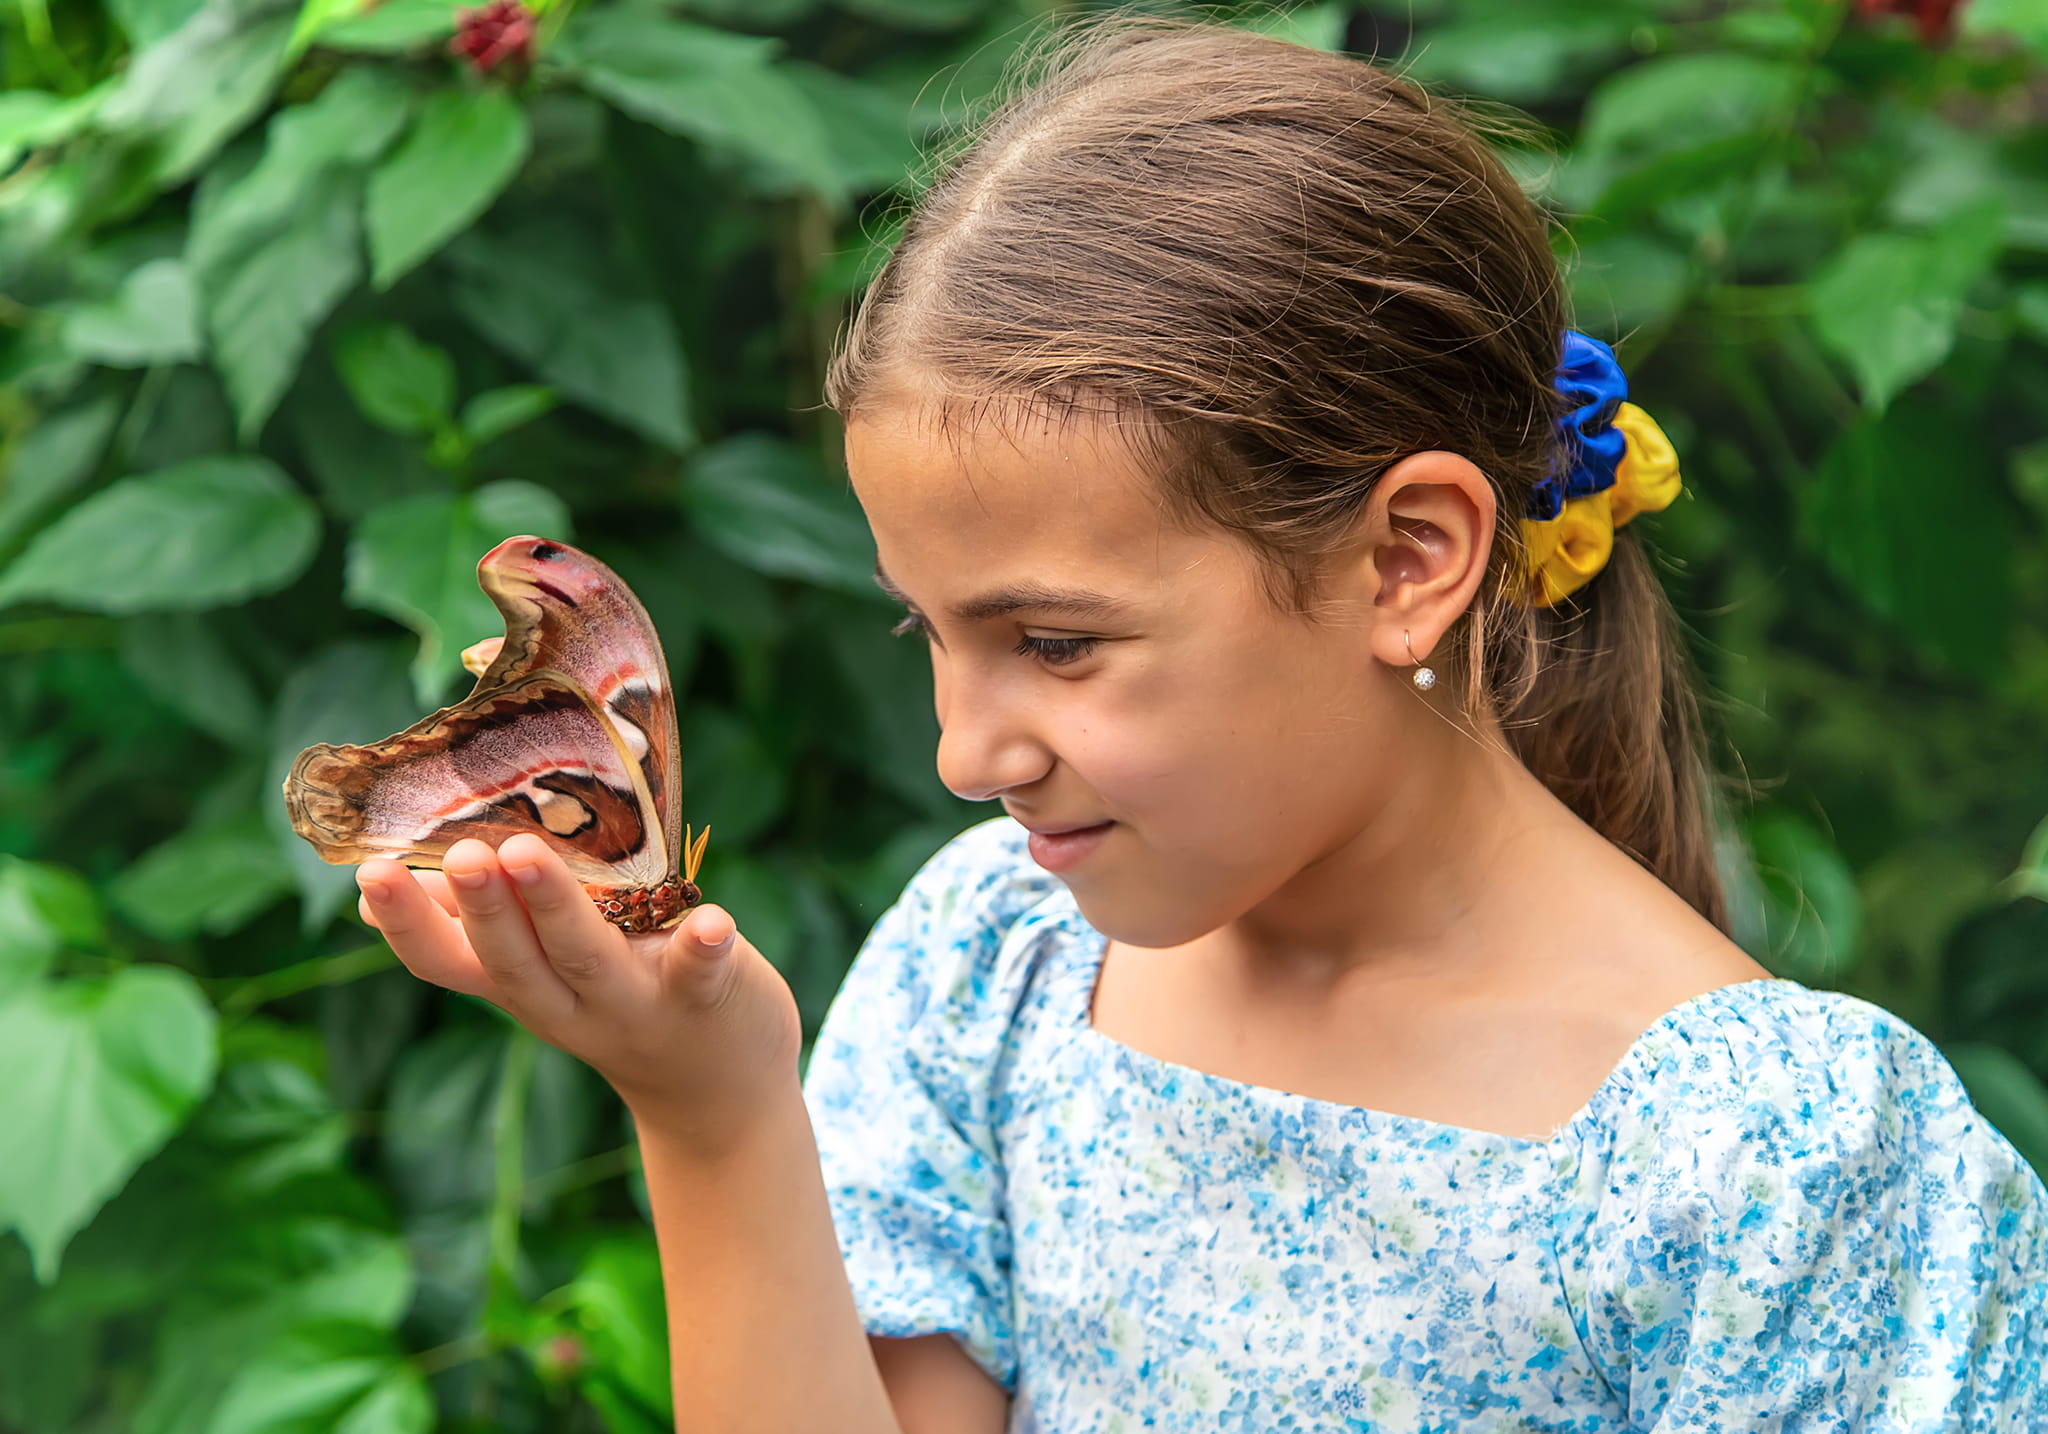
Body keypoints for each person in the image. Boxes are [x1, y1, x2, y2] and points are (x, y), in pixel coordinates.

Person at [353, 12, 2048, 1431]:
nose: (964, 750)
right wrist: (713, 1112)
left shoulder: (1780, 1172)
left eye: (1057, 641)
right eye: (930, 632)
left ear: (1407, 558)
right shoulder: (993, 970)